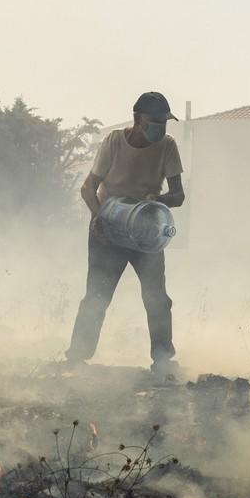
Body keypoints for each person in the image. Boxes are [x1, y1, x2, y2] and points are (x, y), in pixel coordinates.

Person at [65, 91, 186, 376]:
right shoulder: (114, 142)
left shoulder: (167, 146)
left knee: (157, 297)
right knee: (97, 296)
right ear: (138, 119)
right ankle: (76, 359)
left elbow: (178, 195)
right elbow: (88, 188)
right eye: (155, 121)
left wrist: (158, 200)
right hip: (108, 231)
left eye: (164, 121)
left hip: (147, 231)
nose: (161, 127)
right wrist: (98, 218)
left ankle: (163, 360)